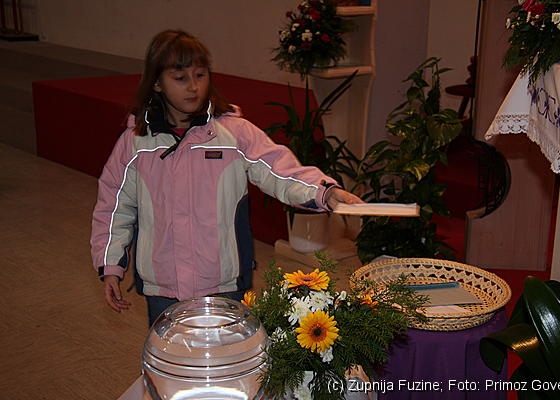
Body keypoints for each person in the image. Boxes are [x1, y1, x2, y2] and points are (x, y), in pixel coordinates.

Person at [90, 29, 363, 325]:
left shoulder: (234, 133)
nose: (193, 86)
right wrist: (110, 266)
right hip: (162, 288)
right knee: (171, 355)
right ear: (157, 83)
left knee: (229, 353)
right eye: (180, 78)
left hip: (224, 284)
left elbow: (280, 172)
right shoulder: (135, 144)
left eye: (200, 75)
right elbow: (114, 208)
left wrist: (324, 191)